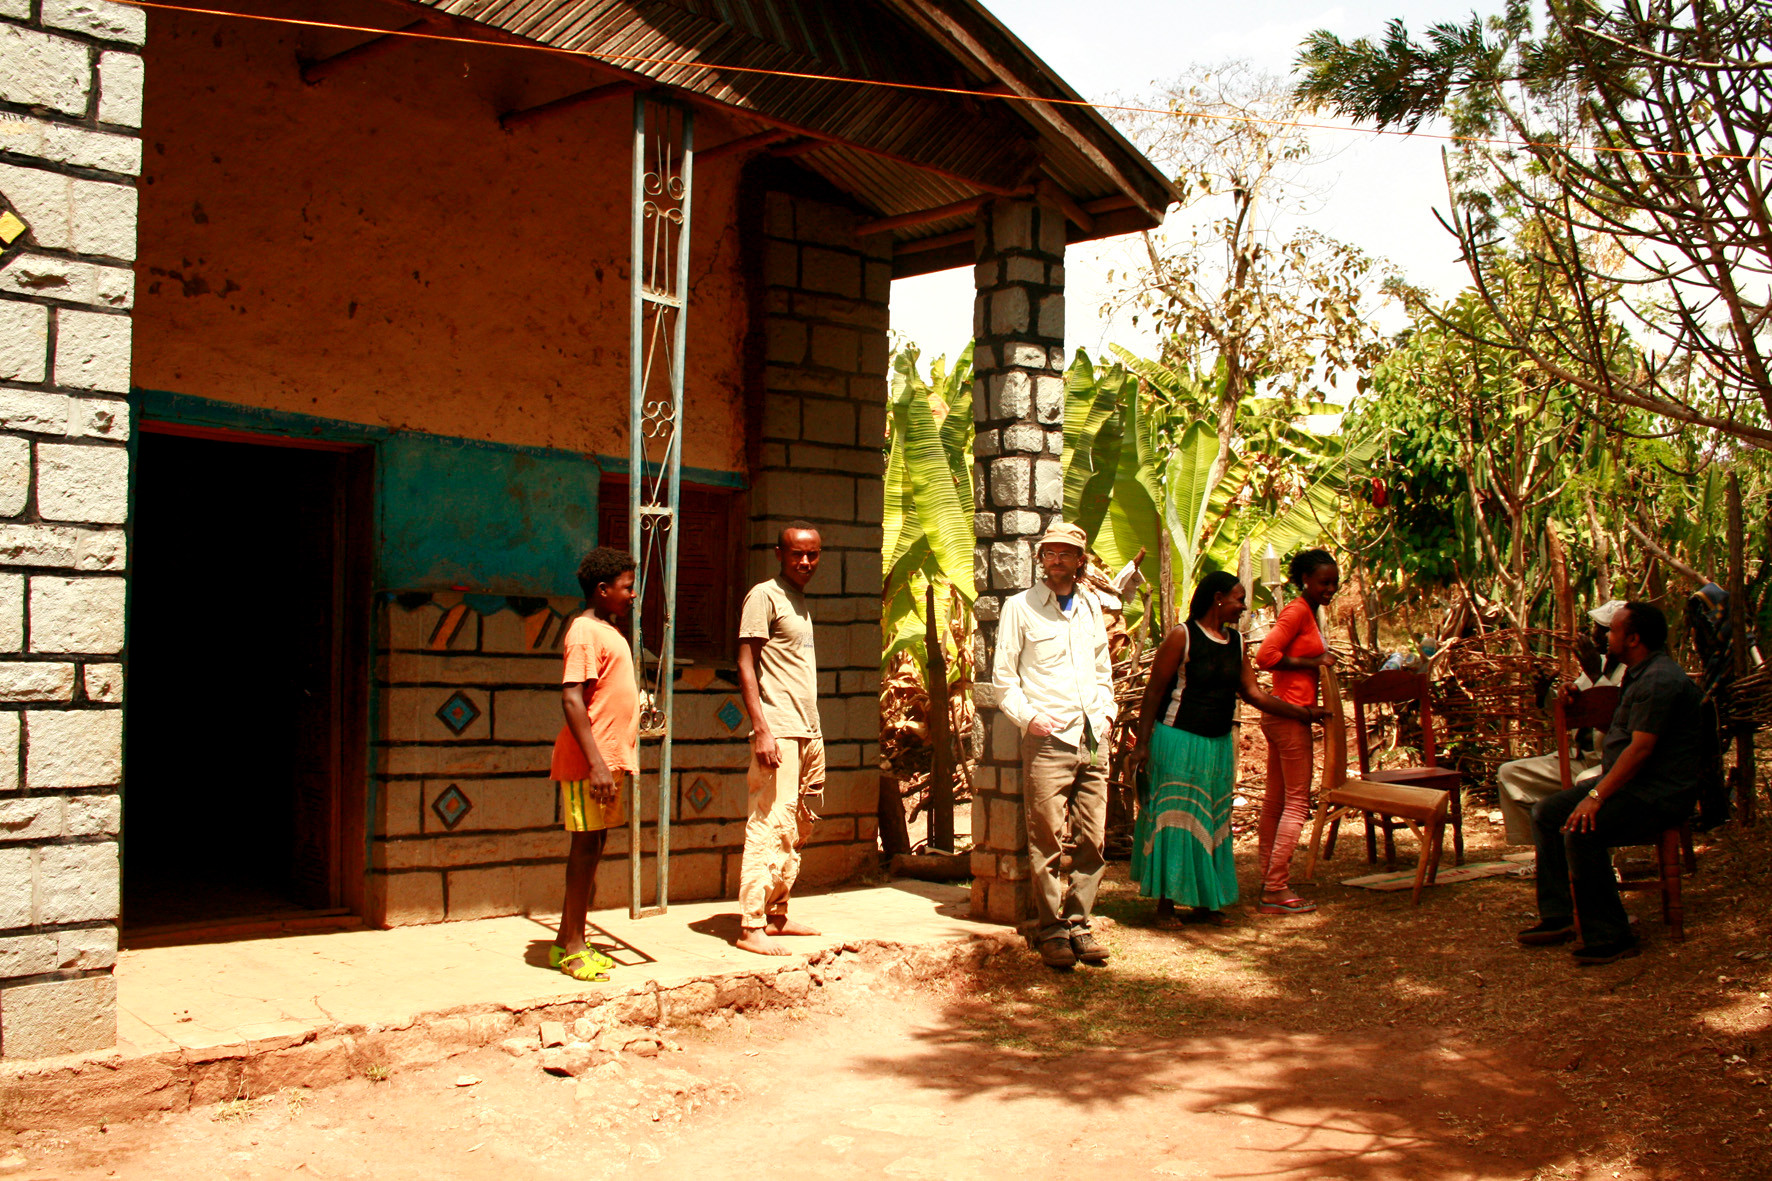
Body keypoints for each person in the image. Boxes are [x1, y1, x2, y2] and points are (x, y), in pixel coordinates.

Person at [1127, 571, 1329, 923]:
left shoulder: (1236, 643)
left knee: (1212, 820)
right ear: (1218, 598)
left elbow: (1253, 693)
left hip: (1216, 746)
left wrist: (1304, 713)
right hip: (1177, 742)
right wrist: (1142, 745)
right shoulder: (1182, 636)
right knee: (1175, 821)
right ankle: (1166, 904)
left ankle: (1207, 903)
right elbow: (1154, 693)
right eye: (1238, 599)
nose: (1243, 607)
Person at [1518, 601, 1703, 965]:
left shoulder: (1659, 680)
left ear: (1633, 638)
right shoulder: (1638, 672)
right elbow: (1621, 736)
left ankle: (1611, 935)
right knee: (1545, 812)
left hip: (1657, 793)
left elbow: (1641, 750)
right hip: (1634, 784)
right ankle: (1559, 915)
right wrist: (1576, 706)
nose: (1605, 638)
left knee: (1581, 830)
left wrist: (1596, 796)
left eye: (1613, 631)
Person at [993, 521, 1117, 970]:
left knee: (1094, 837)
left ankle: (1080, 923)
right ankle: (1051, 930)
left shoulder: (1089, 607)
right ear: (1041, 558)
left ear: (1080, 559)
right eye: (1050, 552)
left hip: (1092, 737)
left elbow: (1103, 669)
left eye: (1067, 552)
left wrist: (1106, 714)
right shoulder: (1020, 608)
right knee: (1046, 839)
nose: (1058, 559)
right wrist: (1031, 718)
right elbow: (1004, 681)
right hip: (1048, 739)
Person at [547, 546, 641, 981]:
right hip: (591, 763)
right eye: (626, 587)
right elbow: (571, 697)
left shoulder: (605, 629)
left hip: (608, 759)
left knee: (595, 845)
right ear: (602, 590)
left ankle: (566, 938)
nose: (633, 594)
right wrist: (597, 765)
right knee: (584, 849)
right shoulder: (584, 632)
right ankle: (572, 948)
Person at [734, 522, 825, 956]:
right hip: (780, 729)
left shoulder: (799, 601)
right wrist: (762, 729)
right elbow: (746, 663)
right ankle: (750, 924)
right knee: (769, 823)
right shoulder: (764, 595)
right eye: (796, 554)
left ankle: (777, 915)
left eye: (812, 555)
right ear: (779, 553)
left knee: (798, 824)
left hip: (808, 729)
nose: (805, 562)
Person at [1252, 548, 1340, 916]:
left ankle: (1269, 879)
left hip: (1284, 716)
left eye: (1335, 582)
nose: (1331, 589)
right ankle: (1275, 887)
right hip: (1289, 716)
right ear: (1305, 579)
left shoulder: (1309, 612)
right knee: (1297, 803)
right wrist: (1314, 661)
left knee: (1275, 802)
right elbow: (1265, 657)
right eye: (1324, 582)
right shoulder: (1296, 611)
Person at [1495, 601, 1628, 844]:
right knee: (1509, 774)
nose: (1592, 635)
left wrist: (1595, 674)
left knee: (1585, 783)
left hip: (1609, 763)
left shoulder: (1628, 673)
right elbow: (1566, 713)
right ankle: (1538, 852)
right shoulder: (1593, 670)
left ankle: (1598, 861)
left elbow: (1615, 717)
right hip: (1576, 757)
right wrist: (1545, 693)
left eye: (1600, 629)